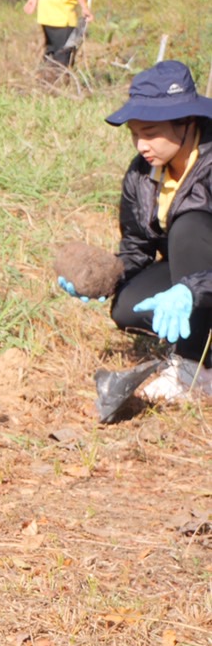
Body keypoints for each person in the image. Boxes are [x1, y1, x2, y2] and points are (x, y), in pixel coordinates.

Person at [72, 61, 212, 418]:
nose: (141, 144)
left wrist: (193, 290)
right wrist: (103, 277)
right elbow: (136, 246)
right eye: (135, 133)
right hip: (197, 274)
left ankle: (193, 368)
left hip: (203, 270)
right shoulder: (141, 172)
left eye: (150, 132)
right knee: (127, 306)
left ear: (186, 122)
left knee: (189, 227)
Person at [23, 0, 90, 72]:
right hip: (59, 17)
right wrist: (84, 7)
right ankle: (54, 77)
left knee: (54, 56)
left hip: (52, 15)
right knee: (61, 59)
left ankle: (49, 76)